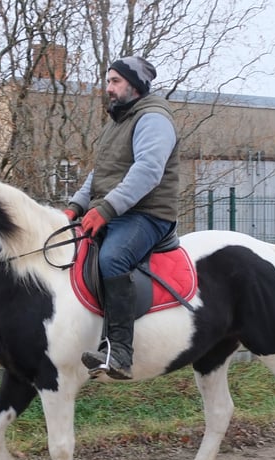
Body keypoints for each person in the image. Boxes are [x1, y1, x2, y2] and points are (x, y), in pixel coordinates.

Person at [64, 56, 180, 380]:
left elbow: (148, 171)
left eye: (115, 81)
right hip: (118, 211)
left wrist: (105, 209)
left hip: (148, 214)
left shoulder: (153, 119)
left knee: (112, 258)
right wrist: (76, 206)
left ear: (135, 85)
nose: (109, 88)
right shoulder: (117, 123)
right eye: (108, 81)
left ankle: (120, 354)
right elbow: (100, 174)